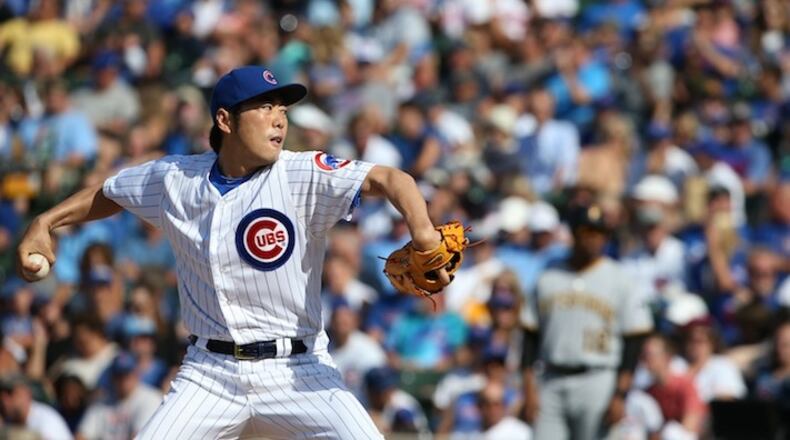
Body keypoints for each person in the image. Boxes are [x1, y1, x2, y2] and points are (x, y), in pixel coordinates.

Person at [17, 65, 453, 439]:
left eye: (282, 108)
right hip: (210, 374)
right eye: (264, 107)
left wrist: (424, 232)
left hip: (299, 369)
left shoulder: (301, 174)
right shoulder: (176, 179)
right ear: (225, 120)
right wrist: (45, 221)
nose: (279, 119)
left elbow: (394, 180)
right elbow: (111, 192)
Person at [520, 203, 653, 440]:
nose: (593, 239)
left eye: (599, 233)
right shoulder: (548, 276)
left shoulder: (620, 279)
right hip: (551, 378)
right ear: (573, 233)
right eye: (586, 232)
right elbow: (530, 335)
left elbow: (634, 340)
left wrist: (620, 394)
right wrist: (528, 387)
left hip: (598, 378)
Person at [0, 373, 73, 440]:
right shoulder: (9, 420)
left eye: (9, 392)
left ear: (26, 393)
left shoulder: (46, 421)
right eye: (1, 393)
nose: (3, 399)